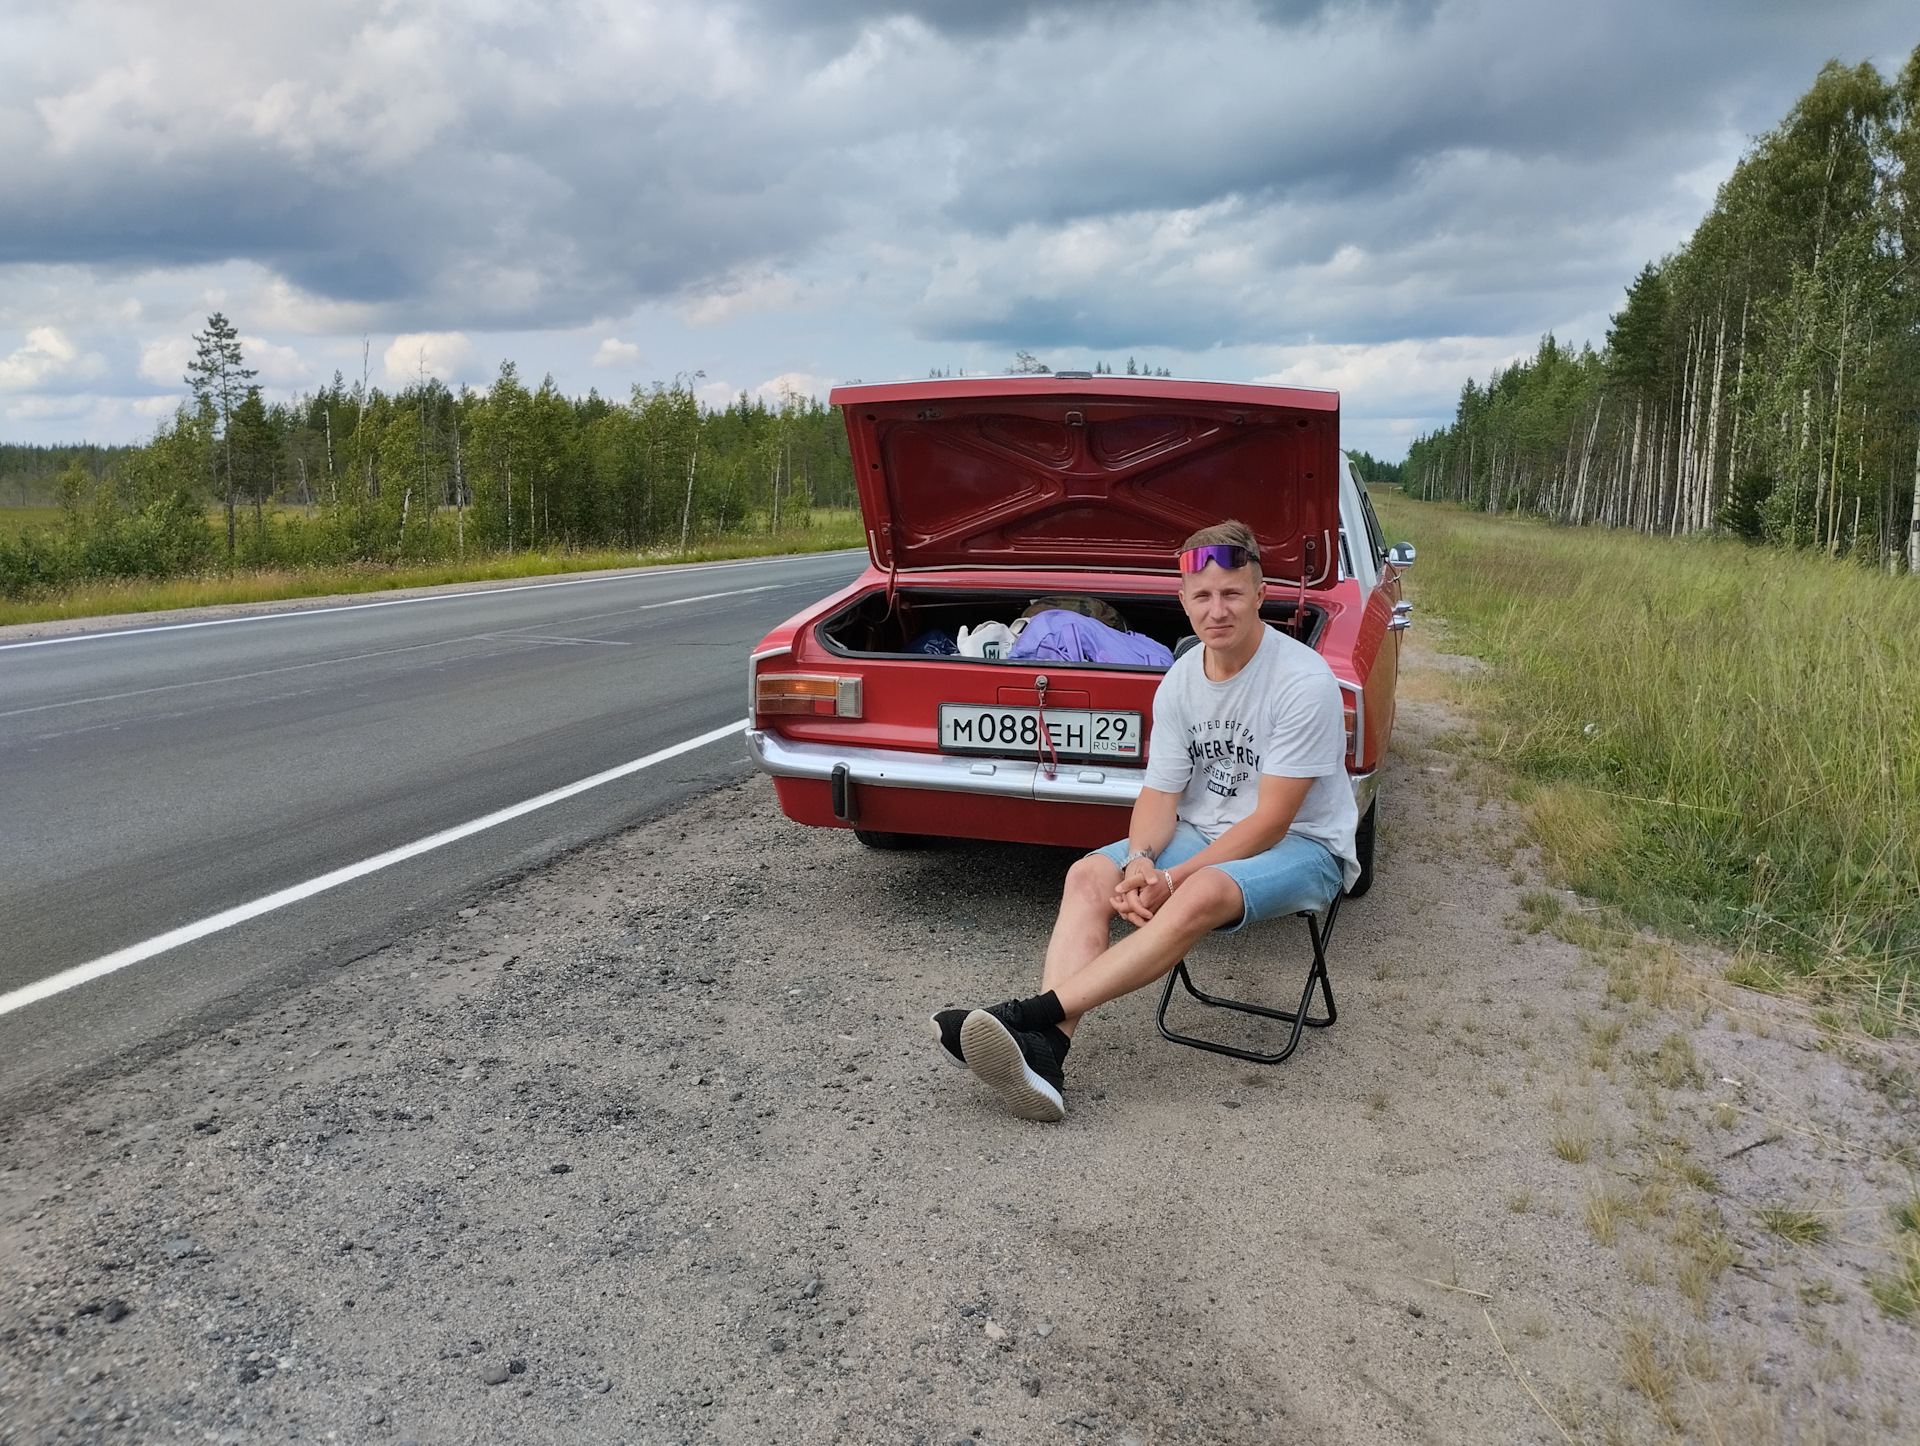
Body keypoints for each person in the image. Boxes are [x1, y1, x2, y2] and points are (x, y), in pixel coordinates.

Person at [932, 520, 1360, 1121]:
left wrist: (1172, 877)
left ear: (1261, 595)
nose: (1218, 610)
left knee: (1202, 887)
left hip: (1304, 845)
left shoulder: (1302, 681)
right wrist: (1139, 860)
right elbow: (1160, 795)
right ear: (1182, 602)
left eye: (1233, 593)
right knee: (1087, 876)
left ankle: (1025, 1017)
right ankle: (1048, 1056)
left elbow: (1270, 822)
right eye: (1203, 597)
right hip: (1206, 828)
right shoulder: (1181, 679)